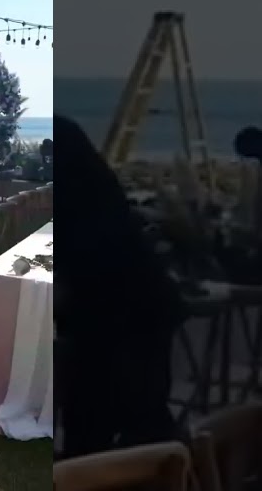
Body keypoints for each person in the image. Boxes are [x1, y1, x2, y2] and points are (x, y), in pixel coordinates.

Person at [54, 115, 185, 459]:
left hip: (117, 319)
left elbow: (77, 277)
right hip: (137, 309)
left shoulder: (76, 207)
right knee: (141, 422)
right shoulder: (98, 190)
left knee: (97, 426)